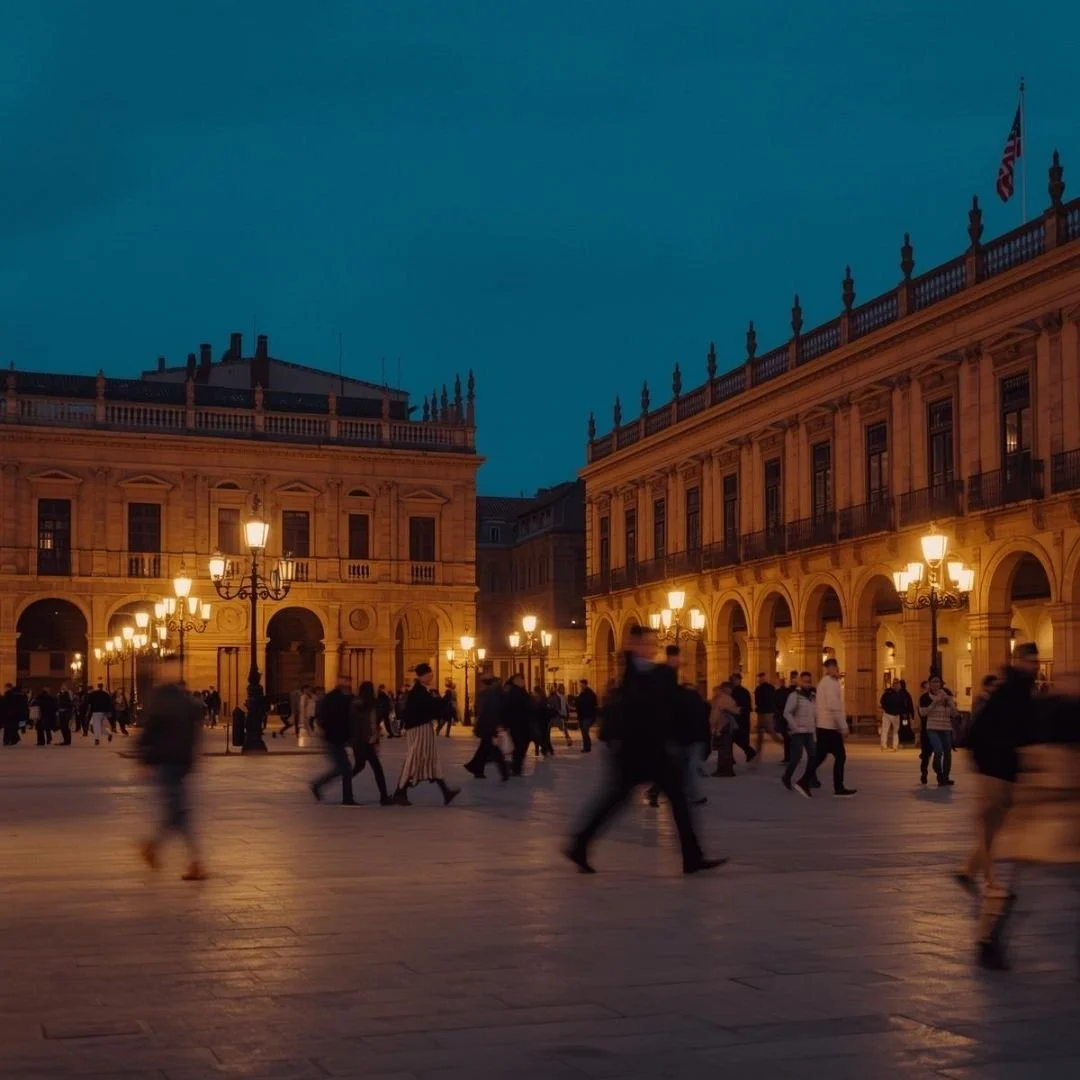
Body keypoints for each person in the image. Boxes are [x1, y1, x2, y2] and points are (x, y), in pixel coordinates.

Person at [565, 626, 724, 876]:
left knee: (675, 800)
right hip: (638, 751)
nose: (653, 648)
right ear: (634, 645)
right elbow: (653, 704)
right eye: (648, 643)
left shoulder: (645, 672)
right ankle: (579, 845)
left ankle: (692, 857)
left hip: (650, 750)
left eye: (654, 643)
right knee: (615, 801)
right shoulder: (640, 673)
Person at [136, 660, 206, 881]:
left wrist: (144, 758)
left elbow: (152, 729)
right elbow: (151, 730)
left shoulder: (170, 698)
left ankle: (153, 847)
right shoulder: (177, 698)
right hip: (170, 761)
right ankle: (193, 861)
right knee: (178, 812)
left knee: (176, 812)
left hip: (173, 761)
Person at [393, 664, 461, 806]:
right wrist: (447, 696)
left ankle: (445, 792)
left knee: (430, 760)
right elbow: (433, 706)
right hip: (420, 729)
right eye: (429, 675)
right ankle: (400, 792)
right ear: (421, 676)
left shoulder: (420, 690)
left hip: (422, 728)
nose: (431, 677)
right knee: (415, 759)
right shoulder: (419, 692)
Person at [310, 674, 357, 805]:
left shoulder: (342, 697)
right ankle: (319, 785)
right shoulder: (334, 698)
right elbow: (327, 718)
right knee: (344, 768)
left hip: (336, 737)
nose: (348, 684)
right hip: (333, 738)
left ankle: (345, 797)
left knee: (344, 768)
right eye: (346, 681)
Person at [813, 659, 857, 797]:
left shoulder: (825, 682)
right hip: (829, 727)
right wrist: (843, 726)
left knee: (823, 756)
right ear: (830, 668)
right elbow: (834, 707)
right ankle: (838, 787)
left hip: (825, 726)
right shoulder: (830, 684)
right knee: (839, 756)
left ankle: (807, 779)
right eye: (835, 667)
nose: (837, 670)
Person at [349, 681, 392, 804]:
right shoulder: (368, 704)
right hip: (365, 741)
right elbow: (371, 723)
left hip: (358, 740)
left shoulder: (357, 703)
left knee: (359, 765)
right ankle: (383, 797)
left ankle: (345, 783)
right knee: (377, 768)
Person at [464, 670, 509, 780]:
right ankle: (504, 771)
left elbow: (482, 710)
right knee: (493, 748)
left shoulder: (484, 692)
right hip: (489, 724)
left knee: (485, 748)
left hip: (485, 724)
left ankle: (475, 767)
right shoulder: (495, 692)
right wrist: (497, 725)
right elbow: (494, 710)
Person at [782, 671, 819, 797]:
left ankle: (811, 779)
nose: (807, 684)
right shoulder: (794, 696)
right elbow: (787, 712)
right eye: (804, 681)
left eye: (809, 681)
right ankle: (787, 776)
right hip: (798, 732)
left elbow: (814, 716)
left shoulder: (813, 697)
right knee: (796, 758)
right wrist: (795, 727)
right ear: (800, 682)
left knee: (813, 757)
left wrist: (814, 733)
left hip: (809, 731)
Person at [919, 675, 959, 785]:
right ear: (929, 684)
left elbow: (955, 713)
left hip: (946, 727)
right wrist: (935, 702)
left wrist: (950, 702)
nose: (936, 684)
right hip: (932, 728)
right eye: (933, 682)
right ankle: (938, 772)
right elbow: (923, 713)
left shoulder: (947, 695)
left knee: (947, 753)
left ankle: (945, 777)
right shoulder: (924, 697)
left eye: (938, 682)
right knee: (938, 751)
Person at [709, 681, 739, 777]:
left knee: (724, 749)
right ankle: (725, 769)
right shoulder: (723, 698)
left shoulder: (722, 699)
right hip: (723, 725)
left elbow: (717, 713)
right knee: (725, 748)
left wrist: (713, 725)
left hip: (723, 725)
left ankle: (725, 770)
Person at [729, 672, 757, 765]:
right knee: (734, 739)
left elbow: (745, 706)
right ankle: (748, 753)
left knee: (735, 738)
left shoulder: (740, 691)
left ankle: (749, 752)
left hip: (739, 719)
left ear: (739, 680)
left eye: (734, 679)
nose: (733, 681)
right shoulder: (740, 691)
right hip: (739, 718)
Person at [774, 669, 800, 766]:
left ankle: (789, 756)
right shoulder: (792, 691)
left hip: (786, 716)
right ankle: (790, 756)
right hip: (788, 716)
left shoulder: (785, 691)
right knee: (789, 738)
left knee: (788, 738)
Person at [576, 678, 598, 753]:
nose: (580, 686)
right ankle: (586, 746)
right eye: (580, 684)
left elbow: (594, 704)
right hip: (583, 716)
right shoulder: (582, 694)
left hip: (588, 715)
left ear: (585, 684)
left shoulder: (590, 693)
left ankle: (587, 747)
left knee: (585, 730)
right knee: (584, 731)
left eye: (581, 684)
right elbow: (579, 704)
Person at [879, 682, 903, 752]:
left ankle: (885, 746)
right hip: (894, 714)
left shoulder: (887, 693)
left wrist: (885, 708)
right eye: (898, 686)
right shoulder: (898, 694)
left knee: (885, 730)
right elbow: (901, 704)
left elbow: (882, 701)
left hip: (889, 713)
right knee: (894, 731)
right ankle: (894, 746)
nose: (899, 687)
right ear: (895, 686)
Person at [896, 678, 917, 747]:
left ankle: (905, 738)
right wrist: (912, 713)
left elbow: (906, 704)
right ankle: (906, 737)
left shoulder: (902, 694)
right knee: (905, 726)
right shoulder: (906, 693)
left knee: (904, 726)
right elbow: (910, 704)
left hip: (904, 714)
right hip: (905, 714)